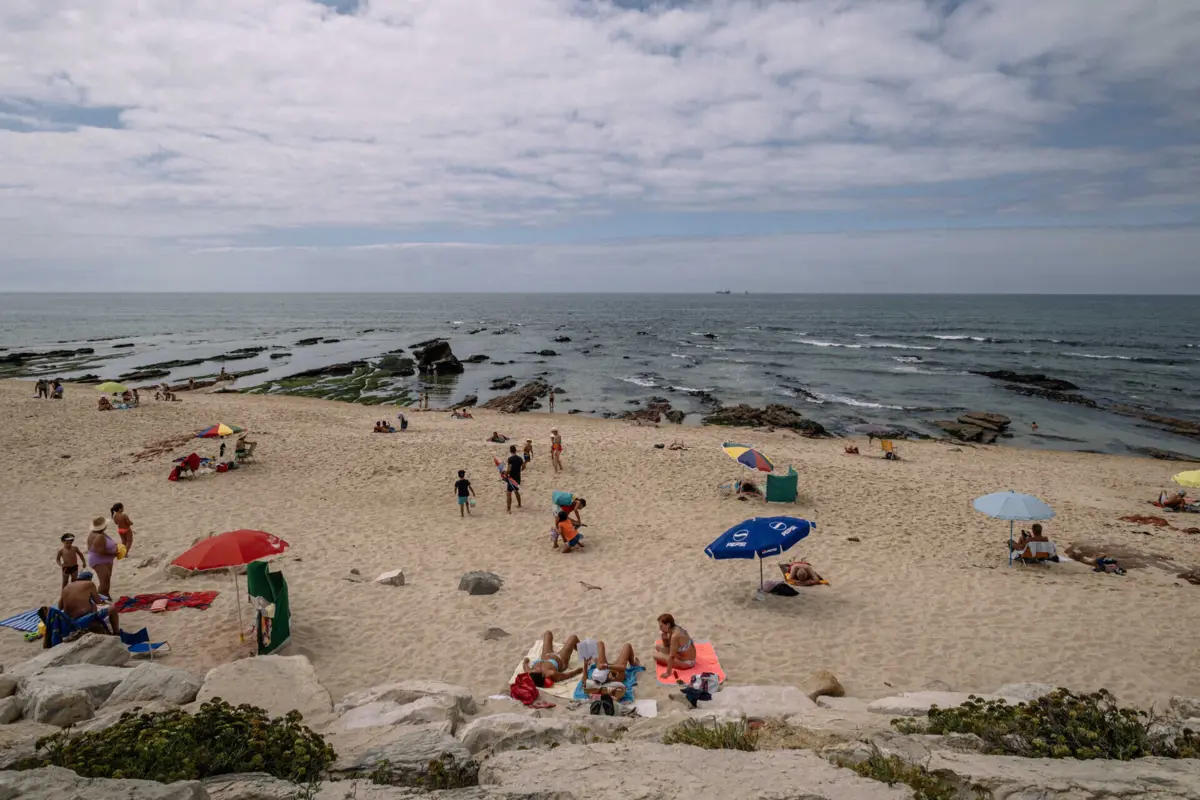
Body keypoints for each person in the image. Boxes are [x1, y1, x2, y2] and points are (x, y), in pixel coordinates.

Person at [56, 570, 119, 637]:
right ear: (89, 579)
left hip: (70, 620)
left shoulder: (66, 588)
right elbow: (98, 601)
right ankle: (116, 633)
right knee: (113, 608)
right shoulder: (89, 584)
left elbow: (60, 607)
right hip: (83, 618)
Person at [654, 613, 697, 680]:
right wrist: (664, 638)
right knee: (657, 647)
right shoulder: (676, 628)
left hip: (688, 663)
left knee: (655, 655)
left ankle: (674, 665)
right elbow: (668, 645)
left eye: (661, 626)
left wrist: (668, 672)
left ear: (668, 625)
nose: (660, 628)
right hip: (684, 656)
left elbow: (671, 656)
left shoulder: (675, 636)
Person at [87, 517, 119, 599]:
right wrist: (114, 553)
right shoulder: (99, 537)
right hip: (99, 561)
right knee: (104, 582)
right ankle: (99, 599)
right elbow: (100, 551)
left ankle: (106, 596)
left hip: (104, 559)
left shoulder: (99, 534)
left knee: (107, 579)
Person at [504, 445, 524, 512]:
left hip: (511, 478)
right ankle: (519, 504)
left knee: (509, 493)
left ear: (510, 451)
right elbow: (524, 466)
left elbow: (509, 469)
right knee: (516, 491)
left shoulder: (510, 459)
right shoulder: (520, 458)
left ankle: (508, 508)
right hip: (518, 477)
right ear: (515, 450)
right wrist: (520, 470)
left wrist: (506, 474)